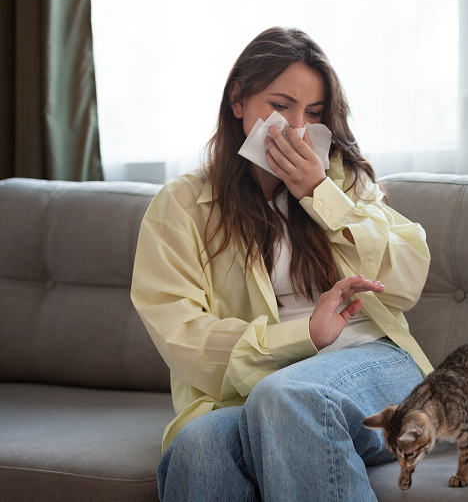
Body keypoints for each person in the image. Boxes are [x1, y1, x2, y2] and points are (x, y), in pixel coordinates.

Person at [130, 26, 434, 502]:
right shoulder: (182, 206)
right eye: (280, 106)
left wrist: (320, 195)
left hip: (373, 365)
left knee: (287, 396)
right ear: (238, 100)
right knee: (197, 446)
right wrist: (304, 336)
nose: (296, 129)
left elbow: (405, 282)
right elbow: (183, 336)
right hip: (258, 388)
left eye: (312, 114)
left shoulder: (343, 181)